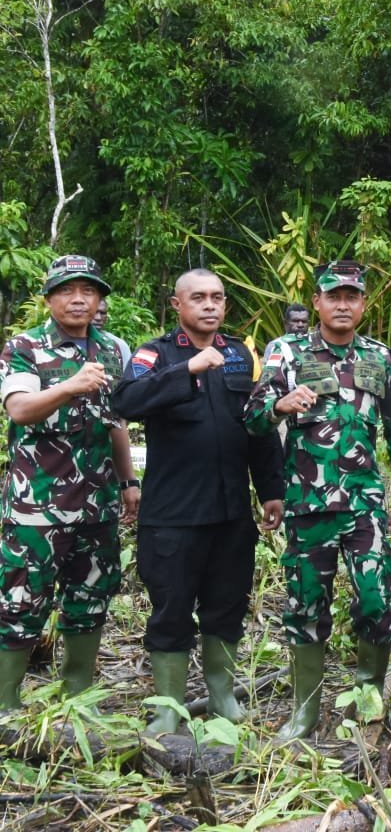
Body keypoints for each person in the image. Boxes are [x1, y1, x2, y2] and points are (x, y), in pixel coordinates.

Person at [243, 260, 391, 740]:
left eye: (352, 296)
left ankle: (368, 702)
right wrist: (278, 404)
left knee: (376, 600)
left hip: (365, 505)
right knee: (305, 606)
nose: (343, 304)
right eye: (333, 296)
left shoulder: (379, 357)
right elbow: (253, 415)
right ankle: (305, 712)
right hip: (309, 504)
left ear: (362, 304)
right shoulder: (286, 351)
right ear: (316, 302)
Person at [113, 269, 286, 734]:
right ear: (177, 305)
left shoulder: (241, 356)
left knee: (226, 606)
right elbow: (126, 401)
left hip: (231, 513)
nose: (210, 305)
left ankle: (222, 695)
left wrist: (271, 489)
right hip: (172, 515)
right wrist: (184, 370)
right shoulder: (156, 353)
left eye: (217, 298)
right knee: (170, 609)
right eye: (199, 298)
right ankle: (168, 705)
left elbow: (259, 424)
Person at [0, 255, 139, 709]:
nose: (78, 299)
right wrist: (68, 385)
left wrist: (128, 480)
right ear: (49, 297)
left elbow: (115, 421)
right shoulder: (25, 346)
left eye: (88, 291)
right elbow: (19, 409)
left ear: (99, 298)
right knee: (22, 601)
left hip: (97, 503)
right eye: (66, 290)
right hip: (36, 506)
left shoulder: (114, 349)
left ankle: (77, 696)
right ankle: (6, 703)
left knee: (91, 597)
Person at [91, 299, 132, 369]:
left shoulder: (119, 345)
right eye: (94, 312)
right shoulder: (70, 342)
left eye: (103, 313)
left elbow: (129, 377)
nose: (98, 318)